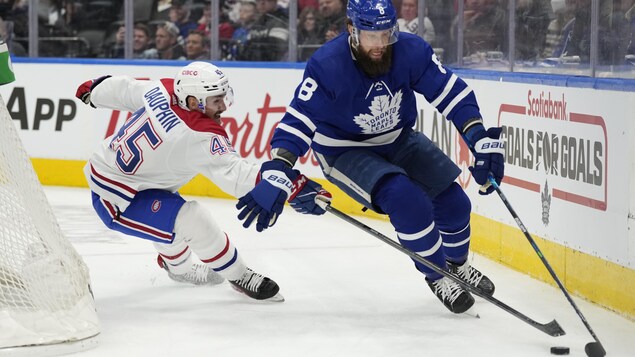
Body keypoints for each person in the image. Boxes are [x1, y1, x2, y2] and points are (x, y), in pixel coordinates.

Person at [236, 0, 505, 314]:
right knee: (406, 200)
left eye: (386, 34)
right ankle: (437, 275)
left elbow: (451, 93)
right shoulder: (328, 64)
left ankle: (456, 266)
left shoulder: (410, 50)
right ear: (352, 29)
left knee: (456, 205)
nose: (380, 45)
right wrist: (280, 165)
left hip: (399, 138)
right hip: (344, 150)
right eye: (370, 36)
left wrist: (478, 137)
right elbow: (299, 119)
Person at [74, 62, 327, 301]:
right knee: (190, 218)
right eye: (217, 100)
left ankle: (177, 269)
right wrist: (290, 184)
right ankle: (239, 276)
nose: (224, 106)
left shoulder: (164, 89)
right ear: (193, 101)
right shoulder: (200, 134)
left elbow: (126, 89)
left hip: (126, 176)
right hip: (117, 198)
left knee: (171, 217)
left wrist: (95, 90)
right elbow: (237, 177)